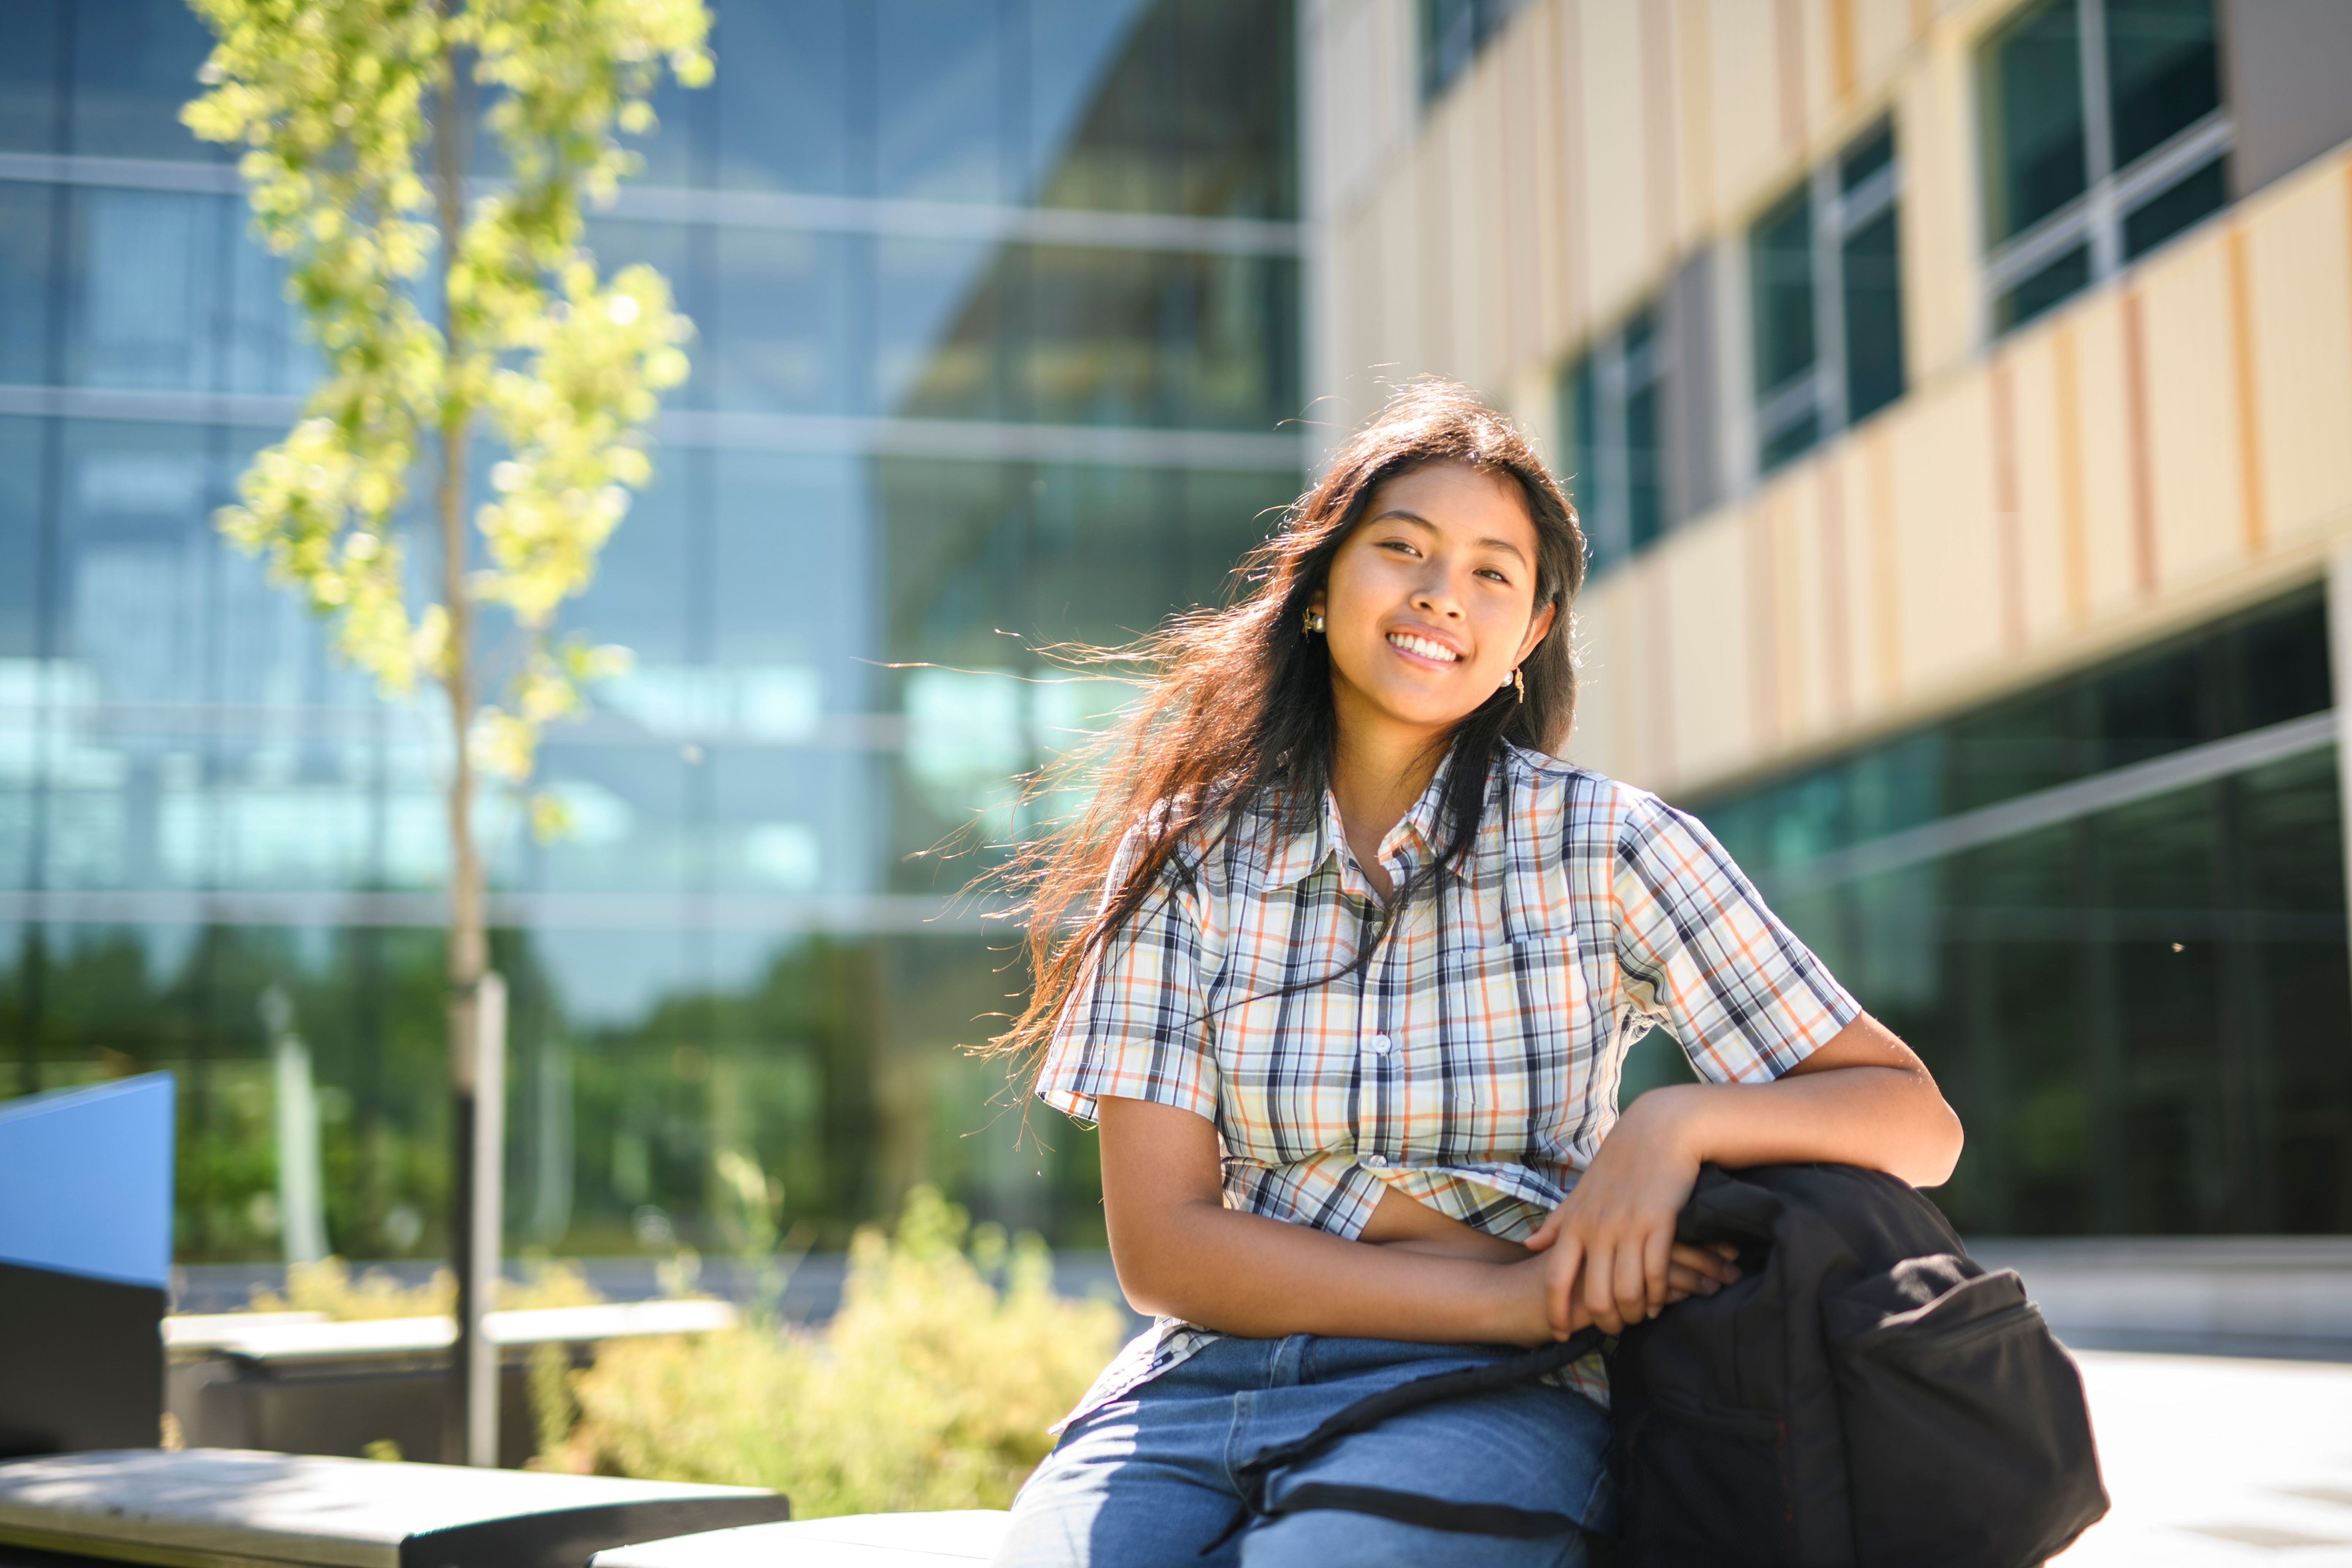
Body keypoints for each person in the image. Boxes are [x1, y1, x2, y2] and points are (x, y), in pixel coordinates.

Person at [985, 382, 1963, 1568]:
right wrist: (1510, 1294)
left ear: (1531, 634)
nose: (1441, 592)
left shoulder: (1606, 845)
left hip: (1494, 1395)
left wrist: (1674, 1127)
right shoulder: (1190, 851)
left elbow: (1917, 1124)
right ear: (1322, 586)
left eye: (1493, 572)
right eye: (1401, 549)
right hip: (1204, 1387)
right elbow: (1166, 1251)